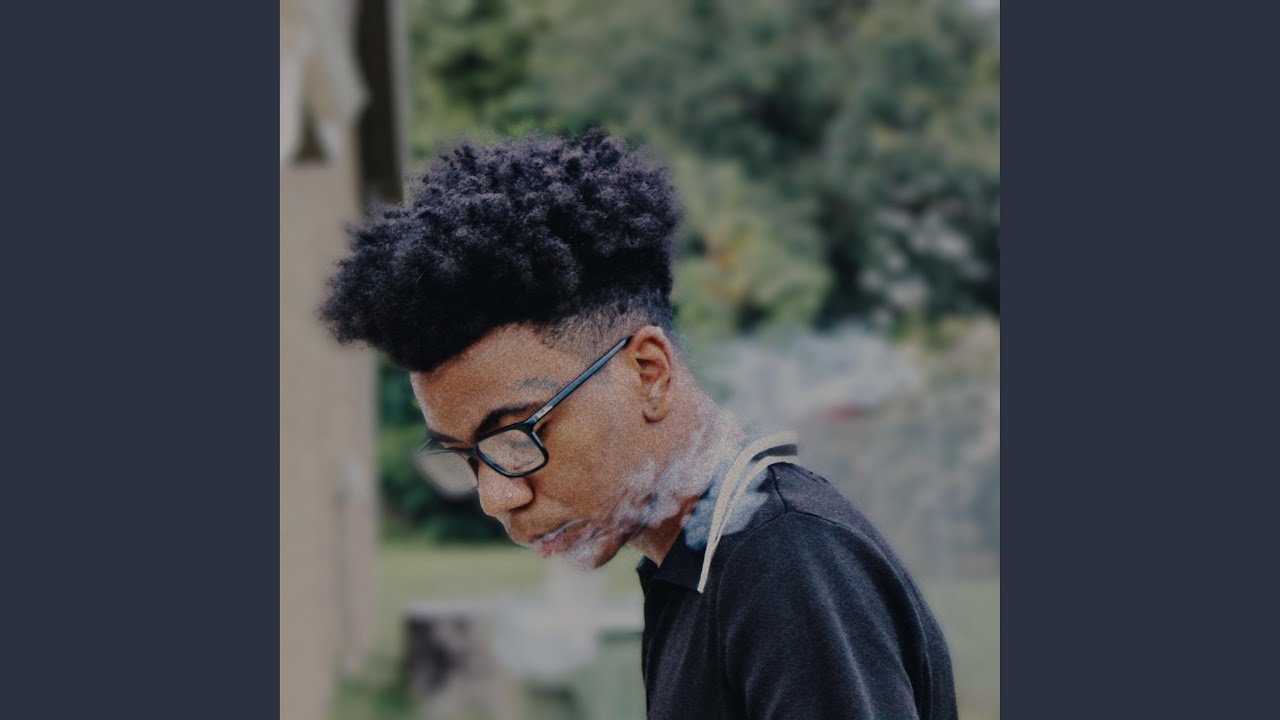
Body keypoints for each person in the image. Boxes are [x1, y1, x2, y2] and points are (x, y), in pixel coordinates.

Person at [321, 129, 957, 719]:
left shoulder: (786, 560)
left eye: (516, 435)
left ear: (648, 371)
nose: (496, 496)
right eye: (467, 457)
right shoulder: (689, 565)